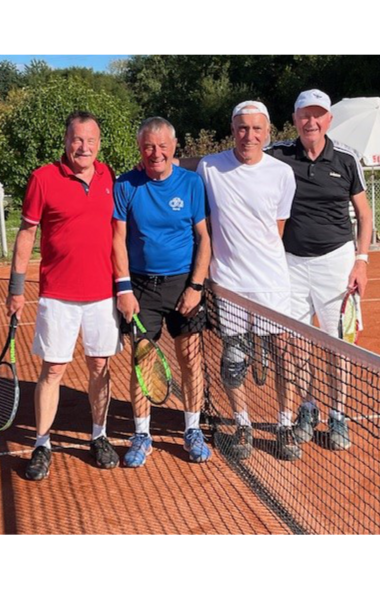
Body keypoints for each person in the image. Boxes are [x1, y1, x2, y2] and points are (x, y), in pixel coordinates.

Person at [6, 111, 123, 481]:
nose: (83, 147)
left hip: (102, 294)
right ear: (66, 141)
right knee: (53, 369)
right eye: (77, 139)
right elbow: (27, 233)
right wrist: (16, 287)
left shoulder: (109, 177)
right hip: (58, 294)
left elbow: (118, 234)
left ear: (99, 144)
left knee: (100, 366)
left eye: (90, 140)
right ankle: (42, 443)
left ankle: (99, 435)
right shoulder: (43, 178)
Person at [264, 89, 374, 451]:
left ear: (328, 119)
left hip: (337, 262)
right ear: (295, 120)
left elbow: (364, 215)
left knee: (337, 344)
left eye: (317, 115)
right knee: (295, 344)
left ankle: (338, 414)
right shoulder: (277, 155)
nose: (311, 122)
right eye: (304, 115)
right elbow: (241, 162)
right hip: (290, 263)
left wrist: (361, 261)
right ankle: (308, 408)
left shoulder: (346, 159)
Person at [196, 100, 301, 461]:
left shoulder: (282, 174)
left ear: (267, 132)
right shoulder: (210, 167)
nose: (249, 136)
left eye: (257, 129)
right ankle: (242, 424)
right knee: (233, 359)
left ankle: (284, 424)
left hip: (272, 282)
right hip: (229, 283)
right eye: (243, 128)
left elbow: (277, 228)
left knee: (283, 355)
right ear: (232, 130)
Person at [112, 116, 213, 468]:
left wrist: (195, 287)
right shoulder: (126, 184)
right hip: (141, 288)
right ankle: (141, 435)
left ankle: (193, 430)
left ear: (174, 147)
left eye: (162, 146)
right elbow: (118, 239)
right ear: (140, 149)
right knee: (143, 363)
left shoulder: (191, 183)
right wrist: (124, 289)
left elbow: (203, 237)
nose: (156, 153)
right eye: (148, 147)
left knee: (191, 359)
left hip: (183, 285)